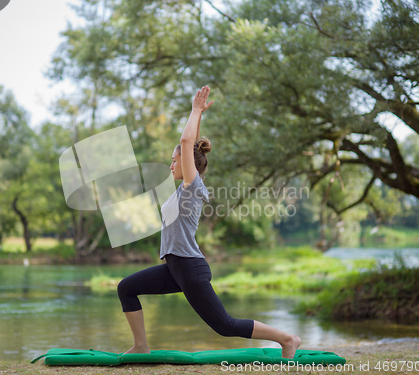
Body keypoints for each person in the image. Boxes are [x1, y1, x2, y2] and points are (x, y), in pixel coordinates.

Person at [117, 85, 301, 358]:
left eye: (174, 160)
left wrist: (193, 111)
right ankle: (141, 346)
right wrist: (199, 113)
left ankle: (287, 339)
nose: (170, 165)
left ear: (187, 162)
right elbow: (191, 146)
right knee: (127, 288)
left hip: (189, 267)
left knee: (225, 326)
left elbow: (188, 144)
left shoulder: (193, 188)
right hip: (175, 266)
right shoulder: (185, 189)